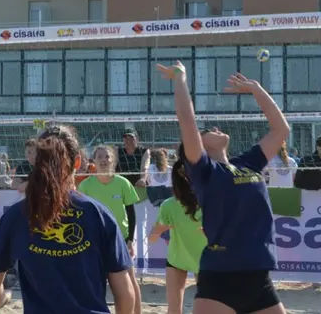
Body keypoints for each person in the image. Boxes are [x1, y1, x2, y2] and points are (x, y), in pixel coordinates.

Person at [157, 62, 290, 314]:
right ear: (196, 147)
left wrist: (256, 89)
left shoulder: (248, 163)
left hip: (258, 278)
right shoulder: (205, 171)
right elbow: (187, 121)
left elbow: (281, 129)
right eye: (207, 131)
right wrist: (180, 79)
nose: (215, 128)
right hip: (220, 279)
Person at [0, 126, 135, 313]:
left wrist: (1, 300)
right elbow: (125, 294)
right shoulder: (99, 214)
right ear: (77, 162)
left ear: (36, 161)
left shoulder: (16, 215)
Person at [78, 145, 142, 313]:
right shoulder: (85, 185)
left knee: (129, 280)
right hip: (93, 240)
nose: (103, 160)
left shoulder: (123, 183)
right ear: (94, 161)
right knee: (95, 282)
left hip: (120, 239)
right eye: (99, 157)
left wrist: (130, 240)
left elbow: (131, 214)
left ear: (113, 160)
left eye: (107, 157)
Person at [149, 156, 207, 314]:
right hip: (187, 260)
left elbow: (152, 238)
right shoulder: (170, 205)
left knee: (184, 309)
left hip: (193, 260)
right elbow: (152, 238)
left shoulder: (170, 205)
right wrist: (161, 230)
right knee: (183, 309)